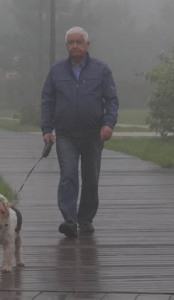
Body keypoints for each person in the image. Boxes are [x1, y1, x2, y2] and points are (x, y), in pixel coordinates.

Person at [41, 26, 118, 238]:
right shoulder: (56, 71)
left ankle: (85, 219)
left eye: (79, 42)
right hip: (65, 135)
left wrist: (109, 124)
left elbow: (111, 100)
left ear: (87, 45)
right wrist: (47, 129)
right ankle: (69, 219)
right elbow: (47, 101)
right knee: (68, 175)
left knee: (91, 178)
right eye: (71, 42)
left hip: (93, 134)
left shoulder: (101, 70)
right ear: (66, 46)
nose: (75, 46)